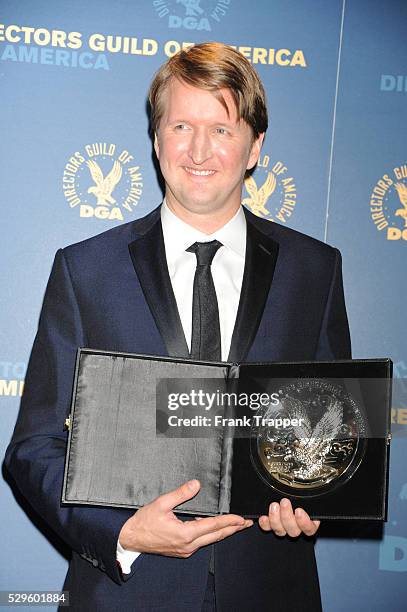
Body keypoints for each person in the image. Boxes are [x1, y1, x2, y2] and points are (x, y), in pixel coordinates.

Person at [5, 42, 351, 611]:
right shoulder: (85, 269)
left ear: (255, 147)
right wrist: (121, 532)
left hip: (270, 590)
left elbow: (332, 429)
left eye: (222, 128)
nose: (199, 149)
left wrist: (314, 497)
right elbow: (33, 447)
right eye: (182, 124)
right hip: (127, 593)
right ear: (157, 137)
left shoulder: (315, 270)